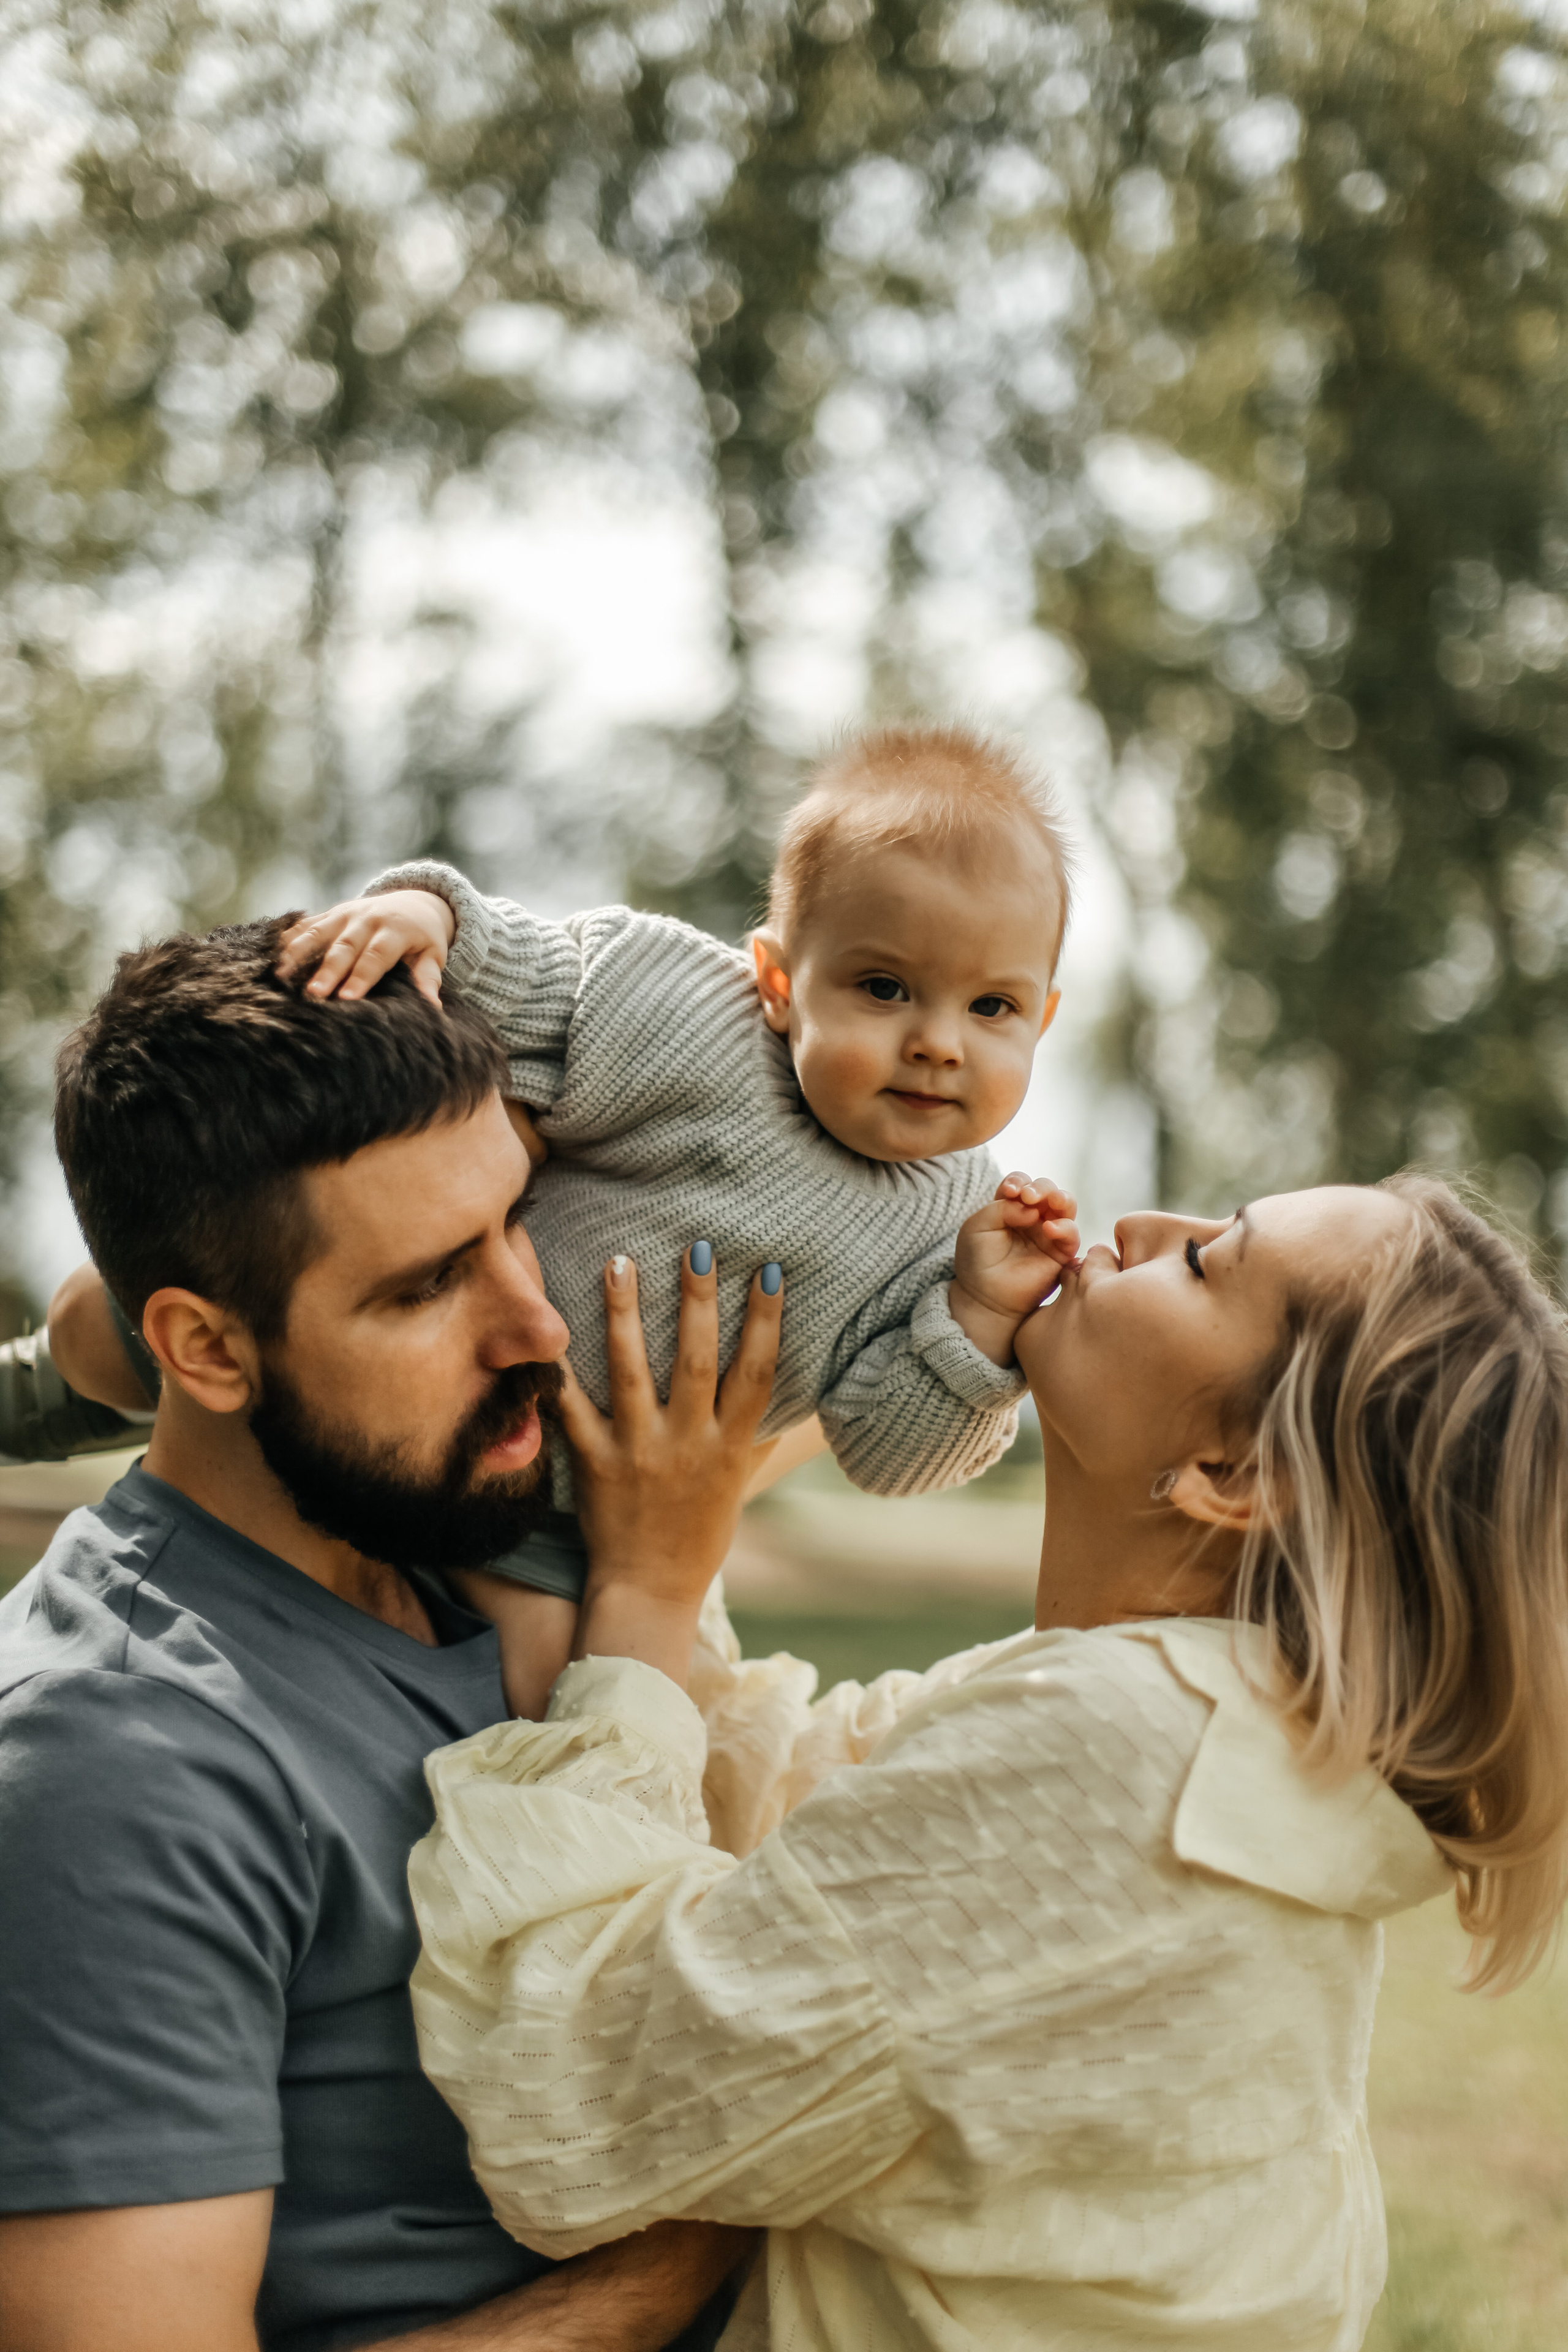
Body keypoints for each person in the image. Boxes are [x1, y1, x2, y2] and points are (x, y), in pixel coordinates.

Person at [403, 1178, 1568, 2350]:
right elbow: (801, 1802)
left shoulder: (1129, 1756)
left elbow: (568, 2090)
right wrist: (678, 1517)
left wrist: (650, 1591)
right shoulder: (1207, 1723)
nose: (1148, 1227)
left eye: (1210, 1263)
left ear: (1232, 1474)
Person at [0, 919, 753, 2352]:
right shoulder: (113, 1764)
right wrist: (710, 2231)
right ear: (207, 1349)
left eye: (516, 1220)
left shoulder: (494, 1546)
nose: (536, 1323)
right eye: (423, 1287)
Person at [265, 722, 1079, 1715]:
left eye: (991, 1007)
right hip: (428, 1404)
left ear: (1042, 1018)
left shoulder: (955, 1233)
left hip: (578, 1532)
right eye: (883, 988)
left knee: (543, 1700)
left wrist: (982, 1317)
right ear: (778, 984)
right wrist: (430, 914)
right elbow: (535, 980)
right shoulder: (687, 1013)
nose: (937, 1044)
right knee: (187, 1333)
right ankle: (53, 1381)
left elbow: (888, 1451)